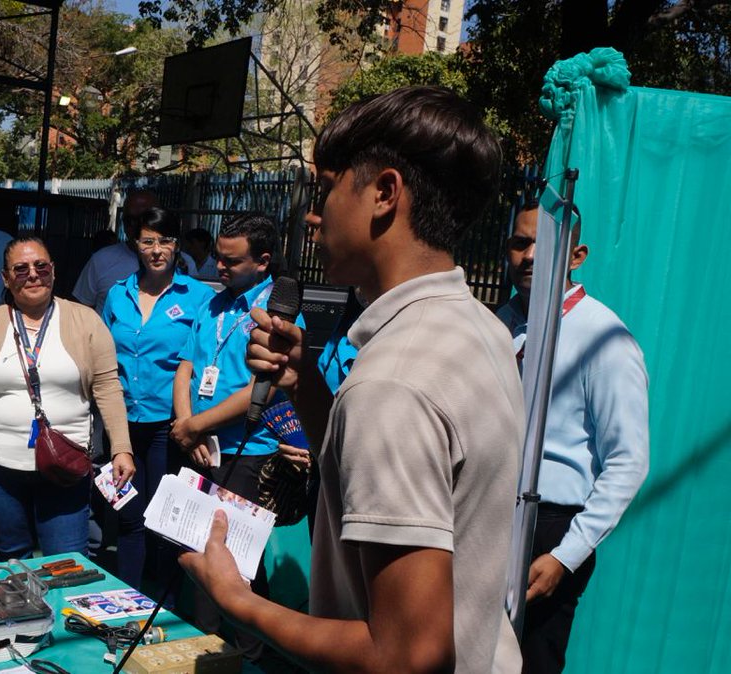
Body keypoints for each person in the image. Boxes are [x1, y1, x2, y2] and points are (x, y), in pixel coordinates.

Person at [180, 86, 524, 672]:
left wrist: (236, 599)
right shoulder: (479, 326)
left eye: (326, 189)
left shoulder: (394, 382)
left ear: (385, 193)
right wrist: (304, 384)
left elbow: (405, 657)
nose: (312, 215)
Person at [497, 200, 649, 674]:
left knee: (531, 663)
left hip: (550, 529)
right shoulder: (499, 325)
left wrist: (566, 556)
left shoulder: (605, 338)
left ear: (576, 256)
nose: (530, 255)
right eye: (520, 242)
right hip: (489, 512)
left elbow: (628, 461)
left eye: (545, 244)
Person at [0, 236, 135, 559]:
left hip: (67, 462)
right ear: (5, 278)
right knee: (11, 553)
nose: (32, 274)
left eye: (41, 266)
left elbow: (108, 388)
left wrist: (121, 448)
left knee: (67, 559)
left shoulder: (85, 321)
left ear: (53, 271)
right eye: (21, 268)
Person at [168, 211, 303, 661]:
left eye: (231, 261)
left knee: (238, 561)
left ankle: (248, 656)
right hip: (200, 446)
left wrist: (197, 426)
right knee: (197, 547)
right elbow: (186, 368)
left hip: (248, 451)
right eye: (219, 258)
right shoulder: (213, 304)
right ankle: (203, 645)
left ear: (262, 262)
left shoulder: (277, 315)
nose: (219, 267)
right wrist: (187, 427)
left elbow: (262, 389)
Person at [100, 207, 215, 590]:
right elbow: (103, 355)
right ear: (135, 244)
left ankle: (166, 605)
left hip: (169, 426)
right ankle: (129, 600)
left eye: (165, 241)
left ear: (176, 245)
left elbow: (204, 358)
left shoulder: (198, 296)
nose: (156, 250)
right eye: (148, 241)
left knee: (165, 520)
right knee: (129, 517)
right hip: (122, 425)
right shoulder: (117, 294)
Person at [72, 190, 198, 311]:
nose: (137, 226)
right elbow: (80, 312)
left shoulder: (185, 265)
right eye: (130, 220)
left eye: (145, 219)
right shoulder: (103, 265)